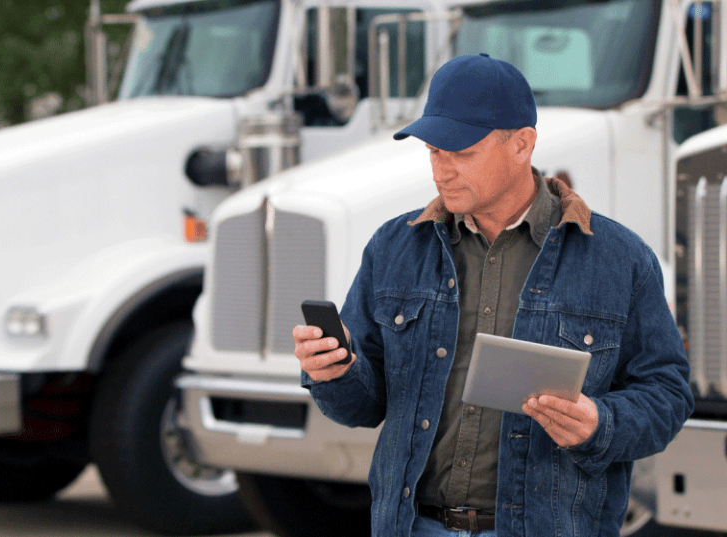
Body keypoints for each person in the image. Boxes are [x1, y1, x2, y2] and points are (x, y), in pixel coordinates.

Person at [293, 54, 693, 537]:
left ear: (522, 144)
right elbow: (363, 406)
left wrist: (599, 424)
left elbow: (668, 394)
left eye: (462, 153)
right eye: (434, 152)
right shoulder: (393, 248)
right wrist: (333, 373)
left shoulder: (619, 259)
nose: (442, 171)